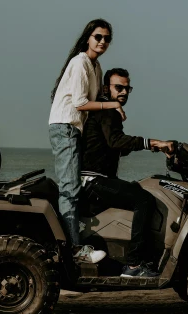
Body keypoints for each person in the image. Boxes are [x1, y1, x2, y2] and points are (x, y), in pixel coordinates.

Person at [81, 67, 175, 278]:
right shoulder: (108, 111)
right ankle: (133, 265)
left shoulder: (105, 112)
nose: (123, 92)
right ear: (107, 88)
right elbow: (116, 141)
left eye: (127, 88)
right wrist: (153, 143)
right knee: (144, 200)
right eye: (119, 87)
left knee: (135, 190)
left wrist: (148, 147)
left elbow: (116, 147)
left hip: (93, 180)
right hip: (94, 181)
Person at [49, 19, 125, 264]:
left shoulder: (96, 66)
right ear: (88, 38)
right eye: (98, 37)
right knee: (69, 189)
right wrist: (113, 104)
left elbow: (96, 101)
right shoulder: (80, 62)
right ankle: (73, 250)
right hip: (65, 127)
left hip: (76, 129)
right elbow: (81, 103)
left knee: (77, 186)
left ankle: (79, 239)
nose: (102, 42)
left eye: (106, 39)